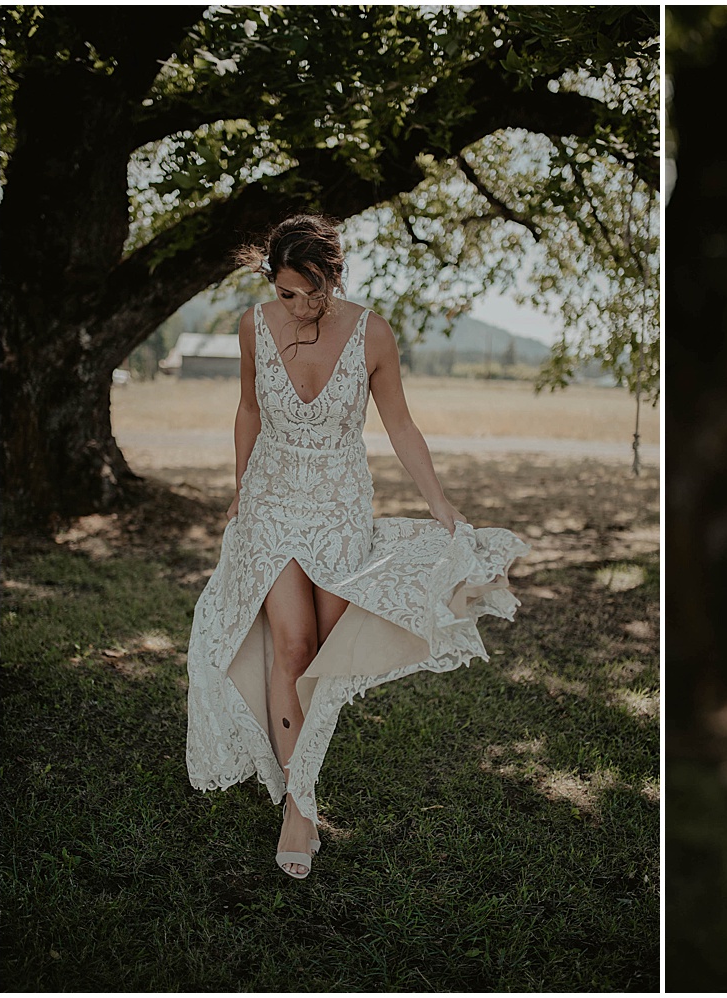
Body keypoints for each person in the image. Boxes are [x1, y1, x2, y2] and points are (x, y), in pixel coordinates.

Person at [184, 214, 530, 879]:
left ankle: (304, 777)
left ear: (333, 276)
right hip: (271, 503)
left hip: (340, 509)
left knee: (327, 660)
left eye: (310, 291)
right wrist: (239, 489)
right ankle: (298, 806)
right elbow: (249, 410)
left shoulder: (373, 334)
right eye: (286, 293)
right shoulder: (254, 327)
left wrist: (440, 503)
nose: (298, 306)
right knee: (293, 647)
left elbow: (399, 423)